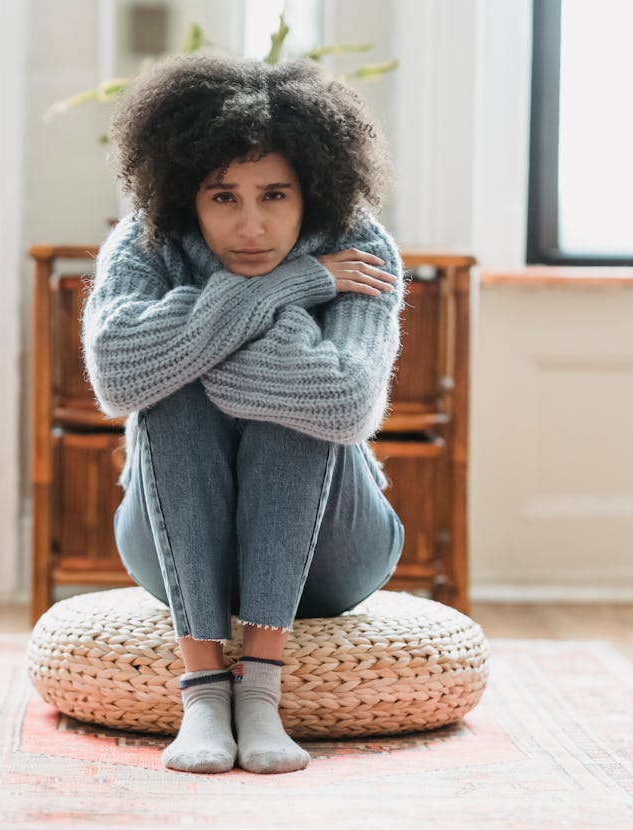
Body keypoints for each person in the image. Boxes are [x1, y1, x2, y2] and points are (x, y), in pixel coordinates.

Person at [81, 52, 406, 775]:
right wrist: (285, 289)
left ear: (313, 191)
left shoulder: (359, 245)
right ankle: (204, 691)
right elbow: (116, 374)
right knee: (170, 389)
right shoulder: (146, 243)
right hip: (170, 551)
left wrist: (199, 340)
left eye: (275, 195)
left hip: (339, 553)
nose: (251, 225)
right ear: (183, 195)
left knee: (286, 397)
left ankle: (258, 689)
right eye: (223, 196)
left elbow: (347, 401)